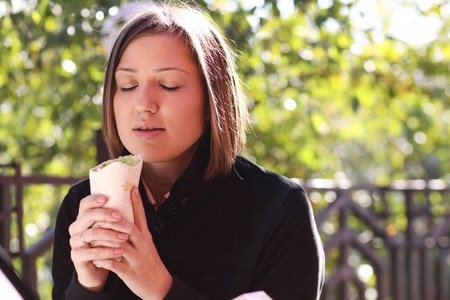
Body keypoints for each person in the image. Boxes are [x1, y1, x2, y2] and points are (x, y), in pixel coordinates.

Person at [51, 2, 325, 299]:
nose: (144, 103)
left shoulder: (277, 208)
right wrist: (87, 286)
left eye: (168, 85)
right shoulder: (84, 206)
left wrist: (160, 288)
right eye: (127, 85)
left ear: (213, 100)